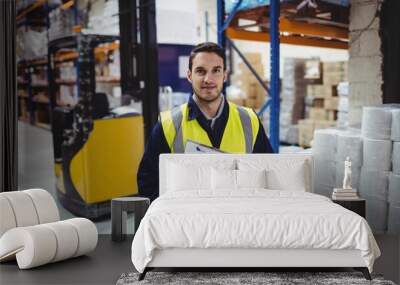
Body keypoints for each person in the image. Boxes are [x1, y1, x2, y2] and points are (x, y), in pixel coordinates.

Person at [137, 42, 273, 201]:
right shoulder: (168, 125)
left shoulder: (249, 121)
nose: (208, 79)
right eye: (200, 71)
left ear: (225, 75)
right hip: (188, 221)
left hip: (238, 218)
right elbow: (148, 184)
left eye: (216, 71)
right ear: (189, 75)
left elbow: (267, 174)